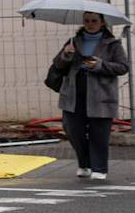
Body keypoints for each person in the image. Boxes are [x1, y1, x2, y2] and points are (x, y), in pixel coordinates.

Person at [51, 11, 128, 182]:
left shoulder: (112, 44)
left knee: (99, 133)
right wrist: (67, 55)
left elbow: (123, 67)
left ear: (102, 23)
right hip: (73, 94)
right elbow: (58, 65)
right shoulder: (73, 41)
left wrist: (99, 65)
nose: (90, 24)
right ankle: (85, 164)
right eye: (86, 21)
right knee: (72, 130)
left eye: (94, 21)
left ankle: (99, 167)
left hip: (101, 95)